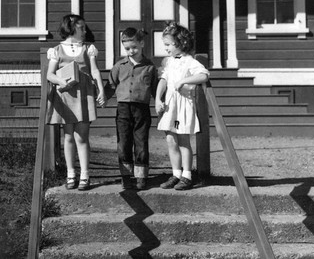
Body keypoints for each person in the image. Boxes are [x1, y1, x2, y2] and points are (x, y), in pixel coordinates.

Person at [46, 14, 106, 191]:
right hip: (65, 95)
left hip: (84, 94)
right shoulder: (57, 50)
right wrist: (60, 81)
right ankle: (71, 173)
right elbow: (50, 74)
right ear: (71, 28)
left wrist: (100, 89)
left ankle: (85, 174)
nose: (85, 31)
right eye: (81, 28)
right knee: (68, 136)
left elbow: (94, 71)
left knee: (82, 135)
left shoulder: (88, 49)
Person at [155, 22, 209, 190]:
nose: (166, 48)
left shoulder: (189, 61)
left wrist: (184, 80)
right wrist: (158, 98)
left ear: (180, 43)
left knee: (183, 140)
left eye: (168, 44)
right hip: (170, 105)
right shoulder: (169, 62)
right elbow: (163, 80)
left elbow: (204, 75)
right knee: (170, 139)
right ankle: (176, 173)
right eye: (165, 45)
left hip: (183, 105)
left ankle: (187, 175)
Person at [108, 28, 157, 190]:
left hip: (141, 109)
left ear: (141, 44)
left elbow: (156, 88)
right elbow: (111, 85)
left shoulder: (149, 67)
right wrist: (102, 96)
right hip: (123, 109)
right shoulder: (119, 66)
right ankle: (126, 176)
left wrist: (161, 102)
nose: (131, 51)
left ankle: (141, 176)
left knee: (141, 141)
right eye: (127, 48)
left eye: (134, 47)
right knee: (123, 142)